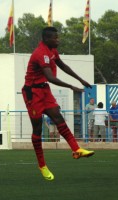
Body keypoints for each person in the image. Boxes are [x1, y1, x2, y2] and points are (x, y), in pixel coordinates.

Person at [21, 27, 94, 181]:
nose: (58, 40)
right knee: (38, 129)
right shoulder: (40, 53)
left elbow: (63, 66)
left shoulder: (52, 50)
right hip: (32, 93)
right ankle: (42, 165)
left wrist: (80, 79)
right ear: (47, 39)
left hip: (44, 90)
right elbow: (51, 77)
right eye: (56, 38)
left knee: (59, 118)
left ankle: (76, 149)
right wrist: (71, 86)